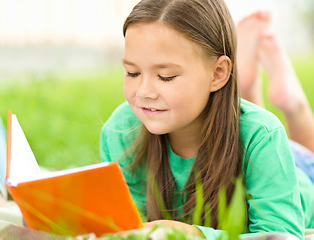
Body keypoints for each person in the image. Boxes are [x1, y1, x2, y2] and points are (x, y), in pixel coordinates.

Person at [100, 0, 314, 239]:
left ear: (217, 73)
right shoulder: (121, 131)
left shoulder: (264, 136)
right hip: (243, 134)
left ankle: (292, 102)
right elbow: (132, 227)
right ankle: (249, 84)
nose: (143, 92)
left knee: (293, 144)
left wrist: (193, 235)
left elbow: (281, 235)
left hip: (301, 173)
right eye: (132, 72)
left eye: (165, 76)